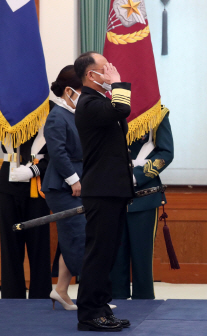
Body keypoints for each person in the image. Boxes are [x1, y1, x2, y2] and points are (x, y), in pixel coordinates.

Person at [74, 51, 133, 332]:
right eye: (105, 68)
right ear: (91, 75)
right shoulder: (88, 103)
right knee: (98, 253)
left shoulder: (99, 101)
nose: (110, 70)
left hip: (113, 189)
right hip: (102, 190)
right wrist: (119, 83)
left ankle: (101, 307)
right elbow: (122, 110)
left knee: (107, 253)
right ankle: (88, 314)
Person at [110, 112, 174, 300]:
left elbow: (166, 152)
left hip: (145, 194)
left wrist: (137, 175)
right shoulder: (108, 109)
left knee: (142, 256)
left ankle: (144, 301)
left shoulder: (157, 112)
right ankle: (116, 299)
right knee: (115, 255)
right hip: (113, 190)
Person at [41, 65, 84, 310]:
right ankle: (93, 299)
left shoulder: (75, 114)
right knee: (80, 238)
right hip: (63, 187)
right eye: (83, 92)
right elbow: (57, 152)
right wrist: (73, 179)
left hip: (78, 184)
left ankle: (60, 290)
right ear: (69, 91)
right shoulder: (58, 115)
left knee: (72, 238)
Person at [0, 115, 52, 300]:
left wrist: (35, 170)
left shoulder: (49, 111)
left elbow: (59, 150)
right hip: (6, 184)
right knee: (9, 248)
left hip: (36, 188)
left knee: (39, 247)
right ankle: (11, 299)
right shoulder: (3, 110)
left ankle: (41, 298)